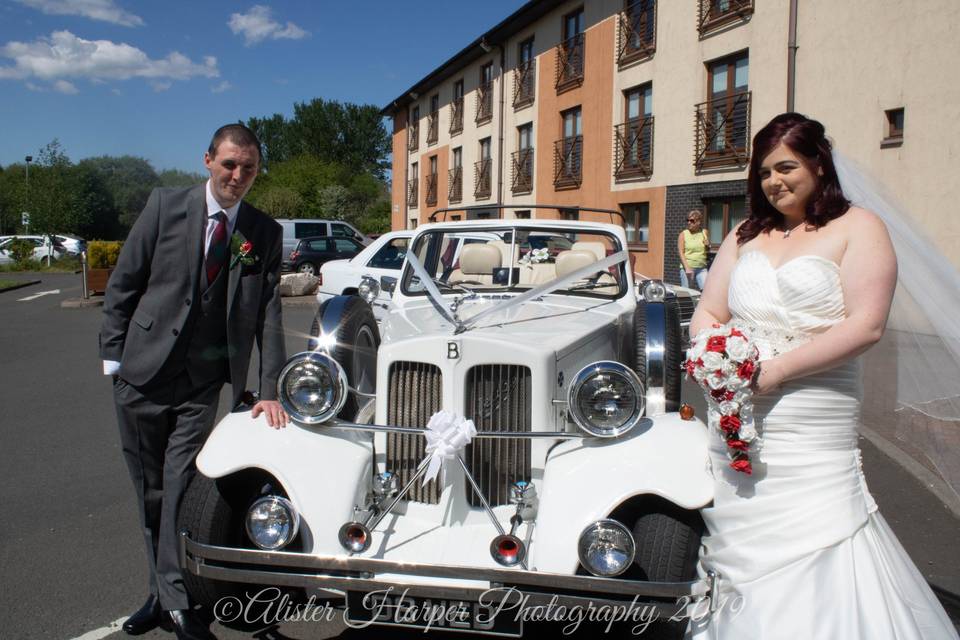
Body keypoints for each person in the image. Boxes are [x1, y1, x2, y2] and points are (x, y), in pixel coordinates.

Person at [686, 113, 958, 639]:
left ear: (818, 163)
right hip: (738, 416)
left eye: (785, 166)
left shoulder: (859, 227)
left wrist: (776, 370)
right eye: (764, 172)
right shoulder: (746, 234)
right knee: (739, 536)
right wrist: (715, 353)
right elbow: (709, 311)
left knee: (822, 536)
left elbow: (867, 324)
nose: (774, 181)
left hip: (814, 414)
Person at [99, 124, 289, 640]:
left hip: (202, 385)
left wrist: (269, 389)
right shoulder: (165, 206)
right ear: (208, 160)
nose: (238, 176)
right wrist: (112, 360)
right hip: (141, 375)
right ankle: (161, 594)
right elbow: (125, 283)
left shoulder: (263, 232)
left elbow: (268, 316)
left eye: (248, 168)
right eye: (230, 164)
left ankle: (177, 603)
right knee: (149, 491)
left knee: (180, 487)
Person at [678, 209, 709, 290]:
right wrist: (687, 268)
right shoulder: (683, 234)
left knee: (706, 291)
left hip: (702, 268)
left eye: (692, 221)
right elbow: (681, 252)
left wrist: (708, 245)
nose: (689, 222)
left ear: (698, 222)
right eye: (687, 220)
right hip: (688, 268)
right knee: (687, 293)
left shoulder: (704, 232)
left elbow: (707, 250)